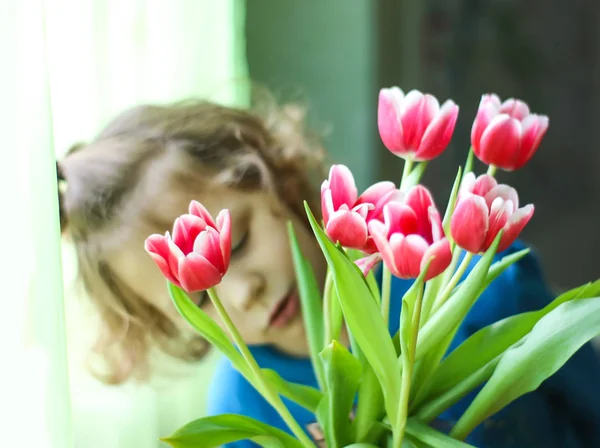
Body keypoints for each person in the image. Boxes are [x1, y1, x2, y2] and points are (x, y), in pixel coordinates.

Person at [58, 99, 600, 447]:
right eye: (200, 299)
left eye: (240, 243)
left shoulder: (479, 284)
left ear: (273, 177)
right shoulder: (246, 411)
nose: (244, 291)